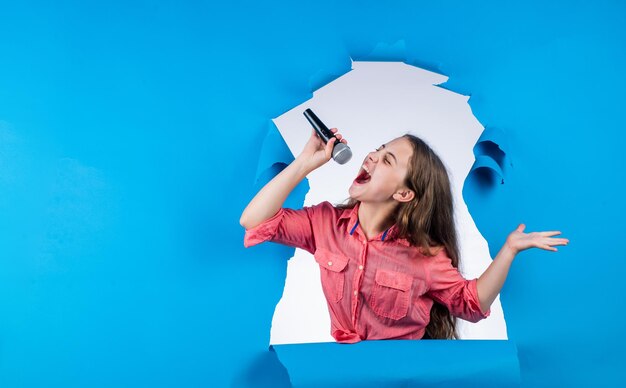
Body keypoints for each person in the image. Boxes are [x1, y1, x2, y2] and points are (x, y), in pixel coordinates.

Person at [239, 127, 568, 343]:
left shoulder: (425, 257)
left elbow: (471, 304)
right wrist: (304, 163)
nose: (371, 156)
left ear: (404, 194)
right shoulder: (325, 224)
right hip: (344, 374)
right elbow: (254, 220)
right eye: (378, 150)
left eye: (387, 159)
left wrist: (508, 250)